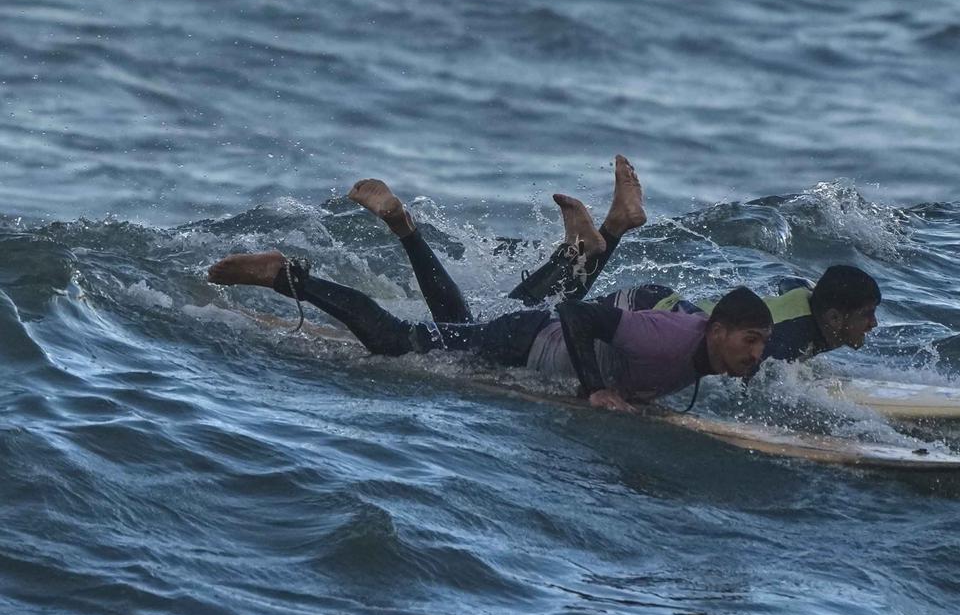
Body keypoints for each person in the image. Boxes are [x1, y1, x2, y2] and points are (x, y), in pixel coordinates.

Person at [207, 158, 771, 412]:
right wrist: (595, 389)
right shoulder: (668, 341)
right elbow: (581, 320)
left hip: (532, 333)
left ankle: (598, 240)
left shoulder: (700, 343)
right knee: (394, 342)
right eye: (750, 341)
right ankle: (285, 275)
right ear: (718, 330)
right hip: (523, 342)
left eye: (761, 344)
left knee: (459, 324)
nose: (758, 353)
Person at [338, 155, 881, 367]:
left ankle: (606, 234)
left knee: (488, 319)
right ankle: (403, 226)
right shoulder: (785, 342)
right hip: (663, 315)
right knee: (470, 330)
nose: (871, 328)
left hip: (665, 305)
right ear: (833, 317)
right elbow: (743, 376)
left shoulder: (802, 294)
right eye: (865, 317)